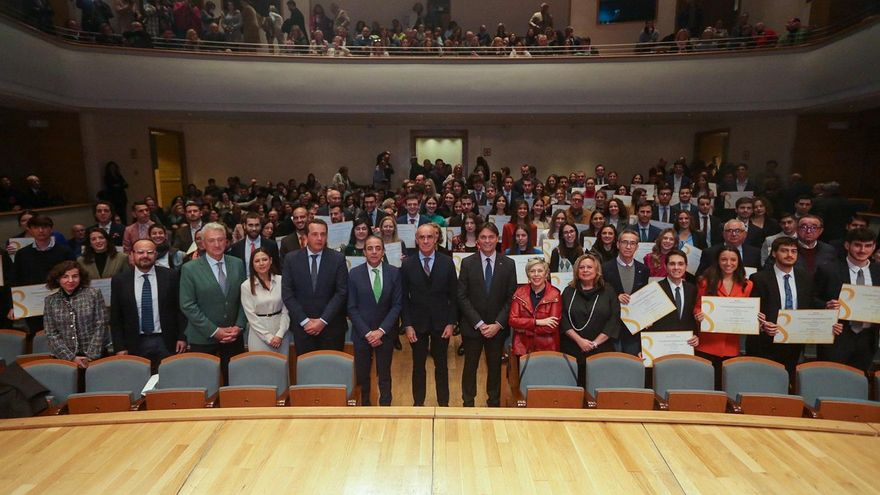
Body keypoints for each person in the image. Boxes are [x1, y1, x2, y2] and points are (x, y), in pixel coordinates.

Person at [457, 223, 517, 407]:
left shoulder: (508, 264)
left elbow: (511, 297)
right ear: (477, 241)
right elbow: (461, 296)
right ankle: (468, 402)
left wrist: (498, 324)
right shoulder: (467, 263)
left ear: (497, 239)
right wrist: (479, 323)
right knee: (470, 367)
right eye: (483, 237)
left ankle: (494, 402)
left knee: (494, 368)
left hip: (497, 329)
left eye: (491, 237)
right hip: (473, 327)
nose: (487, 241)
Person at [179, 222, 247, 382]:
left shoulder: (237, 264)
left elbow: (245, 298)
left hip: (233, 336)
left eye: (220, 239)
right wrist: (215, 331)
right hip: (203, 338)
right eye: (211, 240)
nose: (217, 244)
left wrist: (239, 326)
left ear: (226, 241)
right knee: (205, 385)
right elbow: (187, 305)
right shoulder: (190, 269)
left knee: (236, 384)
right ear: (202, 243)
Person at [748, 236, 823, 377]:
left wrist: (829, 309)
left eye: (793, 251)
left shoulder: (806, 277)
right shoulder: (759, 278)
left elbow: (811, 304)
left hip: (795, 341)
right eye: (784, 251)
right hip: (766, 341)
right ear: (774, 253)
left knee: (788, 380)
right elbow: (753, 310)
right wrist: (763, 325)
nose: (789, 255)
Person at [400, 224, 458, 406]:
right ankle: (418, 404)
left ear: (436, 239)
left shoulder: (447, 262)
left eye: (430, 237)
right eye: (422, 237)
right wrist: (407, 324)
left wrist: (451, 323)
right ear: (416, 240)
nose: (426, 241)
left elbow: (454, 296)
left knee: (441, 366)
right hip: (417, 325)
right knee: (418, 366)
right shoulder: (407, 264)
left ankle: (444, 404)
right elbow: (403, 298)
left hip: (442, 324)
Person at [111, 239, 186, 372]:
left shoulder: (171, 276)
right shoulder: (120, 280)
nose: (145, 256)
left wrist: (182, 337)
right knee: (138, 382)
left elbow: (179, 309)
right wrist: (119, 347)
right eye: (140, 252)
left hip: (166, 340)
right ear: (132, 255)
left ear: (156, 255)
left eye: (149, 252)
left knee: (171, 379)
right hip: (134, 342)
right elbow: (116, 317)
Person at [347, 236, 402, 406]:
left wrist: (381, 331)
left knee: (384, 374)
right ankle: (365, 407)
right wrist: (367, 332)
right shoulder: (354, 274)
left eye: (378, 248)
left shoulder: (394, 272)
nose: (374, 252)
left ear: (383, 251)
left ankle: (386, 406)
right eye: (370, 248)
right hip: (362, 334)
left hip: (385, 334)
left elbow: (397, 305)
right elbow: (351, 307)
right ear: (364, 252)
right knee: (363, 375)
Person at [815, 228, 878, 373]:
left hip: (867, 338)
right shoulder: (828, 270)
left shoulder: (878, 272)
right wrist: (826, 306)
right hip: (837, 336)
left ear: (874, 247)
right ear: (847, 245)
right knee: (830, 378)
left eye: (868, 246)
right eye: (857, 245)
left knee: (859, 383)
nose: (863, 250)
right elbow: (811, 298)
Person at [282, 219, 348, 354]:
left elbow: (341, 292)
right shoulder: (291, 259)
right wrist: (305, 322)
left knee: (332, 370)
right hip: (303, 329)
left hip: (332, 327)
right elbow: (288, 294)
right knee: (307, 372)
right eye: (315, 234)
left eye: (323, 234)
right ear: (306, 236)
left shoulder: (338, 259)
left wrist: (322, 321)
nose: (319, 238)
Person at [694, 246, 754, 387]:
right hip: (707, 343)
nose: (728, 263)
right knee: (704, 384)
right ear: (718, 261)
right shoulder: (705, 282)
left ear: (739, 261)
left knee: (725, 385)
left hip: (731, 344)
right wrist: (698, 315)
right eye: (724, 259)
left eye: (733, 260)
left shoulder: (747, 285)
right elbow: (697, 306)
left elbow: (747, 311)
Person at [560, 254, 622, 387]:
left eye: (589, 267)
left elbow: (614, 320)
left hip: (601, 349)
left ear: (597, 270)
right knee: (573, 391)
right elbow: (563, 319)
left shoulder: (608, 291)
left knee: (599, 389)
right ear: (576, 271)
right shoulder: (569, 291)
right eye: (581, 267)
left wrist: (594, 343)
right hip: (573, 349)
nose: (585, 270)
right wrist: (580, 341)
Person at [9, 214, 74, 334]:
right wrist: (14, 306)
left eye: (44, 227)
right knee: (37, 337)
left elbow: (73, 278)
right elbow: (16, 280)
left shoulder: (65, 252)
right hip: (32, 306)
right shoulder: (22, 254)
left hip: (61, 305)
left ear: (51, 229)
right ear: (30, 230)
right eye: (36, 227)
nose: (41, 230)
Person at [43, 260, 108, 368]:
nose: (70, 280)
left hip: (95, 357)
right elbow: (51, 333)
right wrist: (71, 358)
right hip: (65, 360)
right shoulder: (50, 301)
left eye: (75, 276)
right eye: (65, 277)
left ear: (81, 277)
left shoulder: (94, 294)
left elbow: (101, 325)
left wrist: (91, 356)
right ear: (58, 279)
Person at [603, 229, 650, 356]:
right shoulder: (605, 268)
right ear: (618, 244)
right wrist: (615, 297)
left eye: (632, 243)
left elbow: (645, 297)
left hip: (634, 327)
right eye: (625, 242)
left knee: (632, 363)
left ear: (637, 247)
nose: (628, 246)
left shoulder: (644, 270)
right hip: (612, 326)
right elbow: (599, 295)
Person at [240, 247, 290, 356]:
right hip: (259, 335)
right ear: (252, 264)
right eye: (257, 261)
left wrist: (280, 334)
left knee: (282, 370)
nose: (261, 263)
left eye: (265, 259)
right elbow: (251, 316)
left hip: (281, 333)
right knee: (261, 370)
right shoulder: (246, 286)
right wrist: (269, 337)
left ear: (271, 260)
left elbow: (286, 310)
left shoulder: (281, 280)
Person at [508, 258, 562, 356]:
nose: (536, 274)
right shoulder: (519, 293)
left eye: (540, 271)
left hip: (547, 348)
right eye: (532, 271)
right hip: (523, 348)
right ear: (528, 274)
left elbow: (551, 327)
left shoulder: (555, 294)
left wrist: (525, 329)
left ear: (546, 274)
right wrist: (538, 322)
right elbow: (512, 320)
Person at [696, 219, 761, 275]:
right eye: (730, 231)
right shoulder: (710, 253)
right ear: (724, 234)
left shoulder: (755, 253)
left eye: (738, 231)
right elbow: (701, 276)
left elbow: (758, 275)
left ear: (745, 234)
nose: (734, 234)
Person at [228, 212, 280, 277]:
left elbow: (276, 268)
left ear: (261, 226)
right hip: (244, 284)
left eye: (257, 225)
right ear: (244, 226)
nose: (254, 228)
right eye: (250, 225)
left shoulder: (271, 245)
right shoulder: (236, 247)